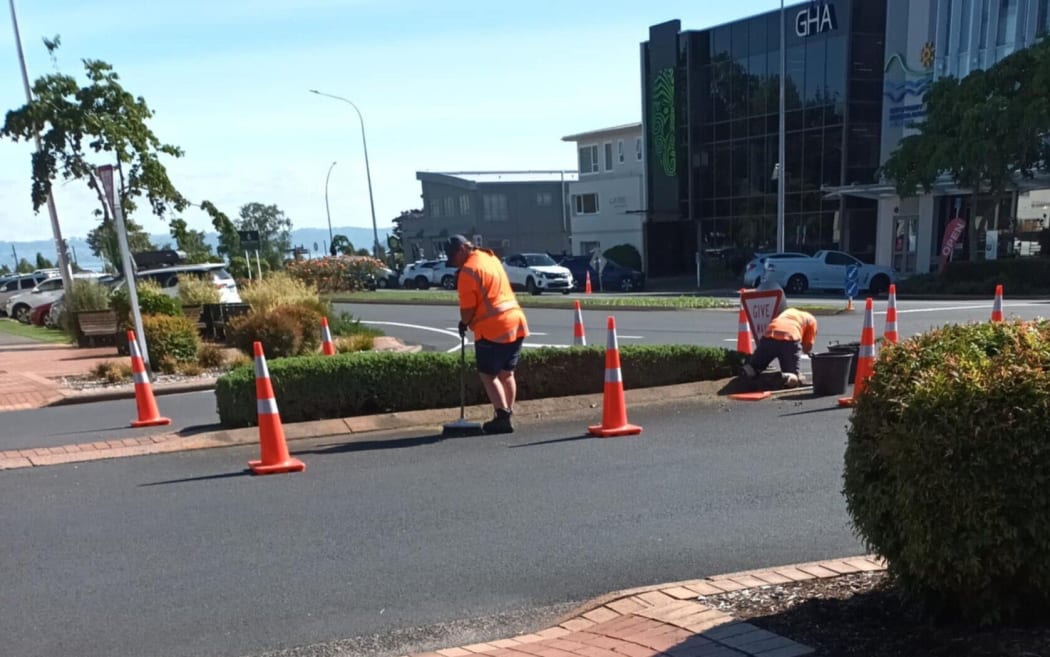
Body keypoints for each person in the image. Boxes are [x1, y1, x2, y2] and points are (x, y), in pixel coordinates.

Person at [445, 235, 529, 434]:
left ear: (462, 250)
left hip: (493, 328)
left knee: (488, 375)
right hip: (516, 322)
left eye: (453, 257)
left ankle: (502, 417)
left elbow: (467, 310)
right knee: (507, 373)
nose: (453, 262)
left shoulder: (468, 272)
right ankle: (508, 412)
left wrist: (464, 323)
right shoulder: (491, 258)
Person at [742, 307, 817, 388]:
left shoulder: (789, 311)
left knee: (755, 366)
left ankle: (747, 371)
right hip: (790, 338)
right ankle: (786, 377)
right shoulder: (812, 320)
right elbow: (807, 348)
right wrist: (807, 352)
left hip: (769, 335)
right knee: (794, 376)